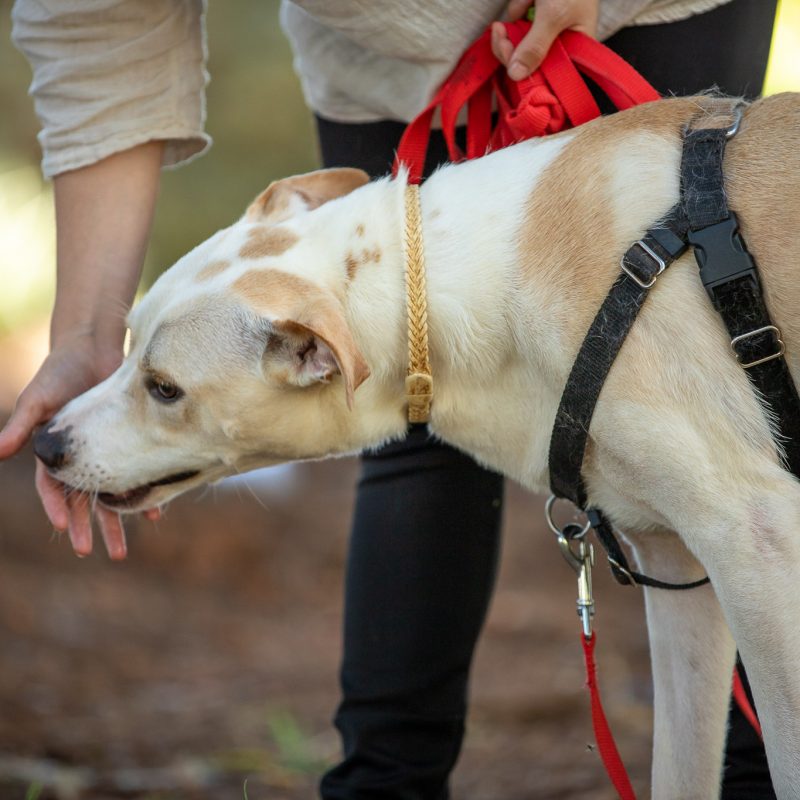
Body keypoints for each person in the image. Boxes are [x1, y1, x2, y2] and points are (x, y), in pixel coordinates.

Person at [3, 1, 778, 797]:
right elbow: (96, 20)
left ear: (311, 348)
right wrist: (86, 330)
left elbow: (752, 524)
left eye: (162, 388)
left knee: (713, 471)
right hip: (383, 53)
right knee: (422, 401)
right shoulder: (322, 295)